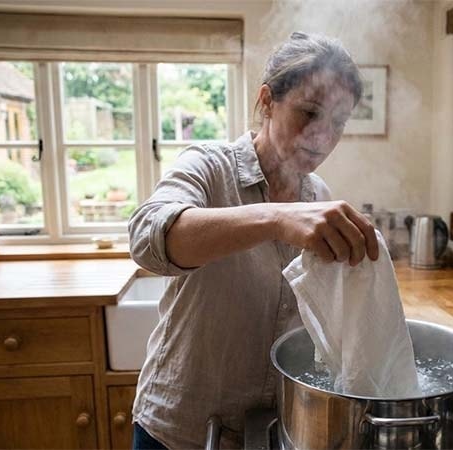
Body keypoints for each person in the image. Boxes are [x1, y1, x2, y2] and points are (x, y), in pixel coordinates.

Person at [128, 32, 380, 449]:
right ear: (267, 101)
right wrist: (277, 218)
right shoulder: (208, 167)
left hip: (270, 431)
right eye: (309, 113)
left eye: (337, 123)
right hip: (179, 431)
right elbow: (148, 239)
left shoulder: (317, 194)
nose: (322, 136)